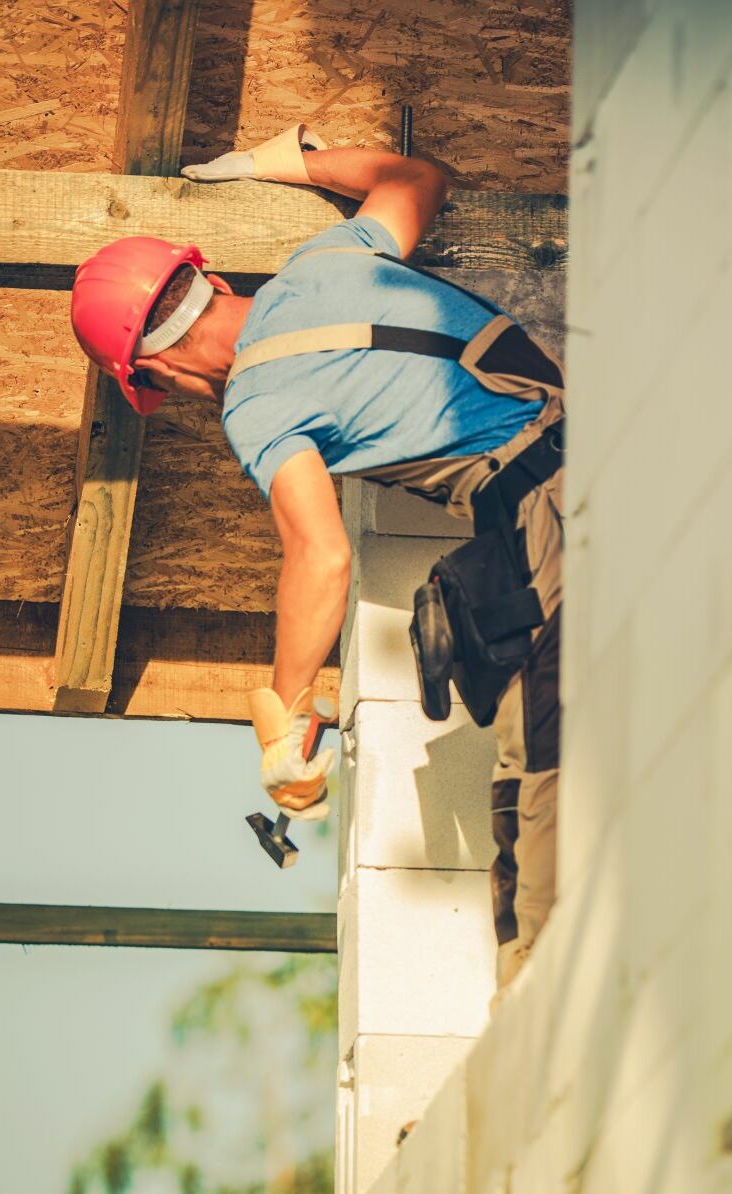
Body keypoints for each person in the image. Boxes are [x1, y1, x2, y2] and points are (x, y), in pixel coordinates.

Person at [67, 126, 564, 987]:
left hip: (558, 510)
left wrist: (287, 725)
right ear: (210, 282)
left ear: (158, 371)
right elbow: (419, 176)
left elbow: (322, 556)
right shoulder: (324, 259)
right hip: (606, 435)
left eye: (155, 388)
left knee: (542, 786)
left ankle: (546, 1039)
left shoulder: (254, 405)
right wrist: (283, 160)